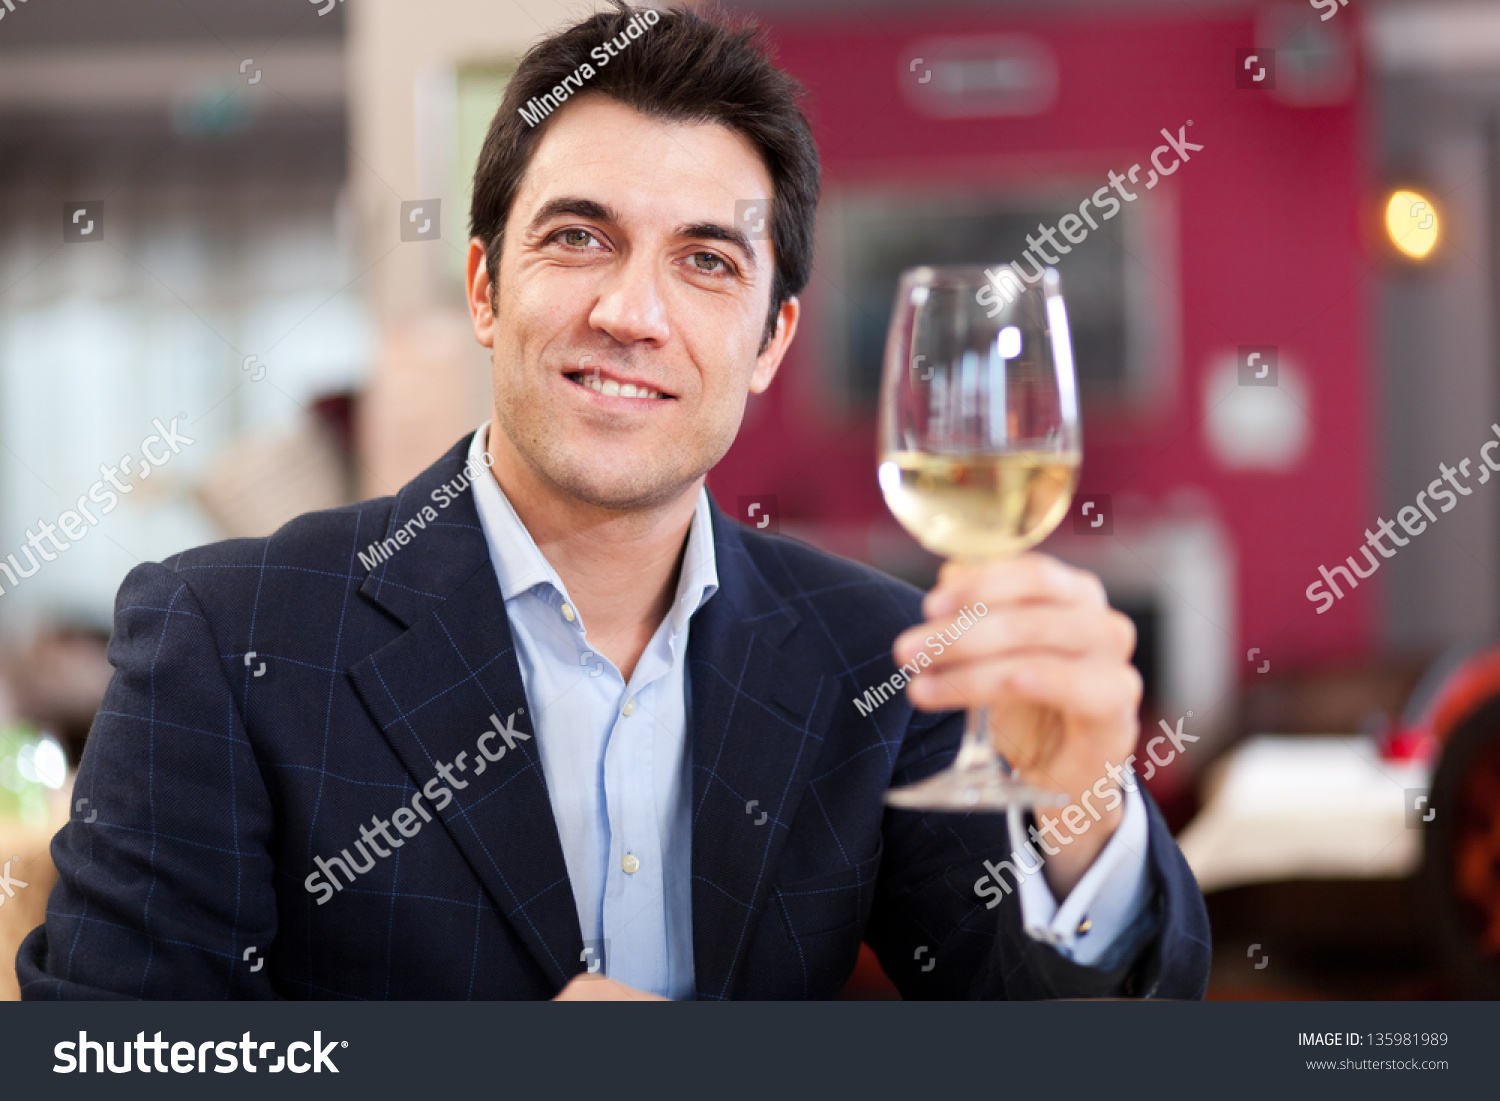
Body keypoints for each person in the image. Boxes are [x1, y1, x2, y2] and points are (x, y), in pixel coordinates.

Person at [18, 1, 1208, 1000]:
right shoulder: (225, 636)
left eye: (707, 261)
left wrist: (1083, 820)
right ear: (486, 288)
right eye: (580, 237)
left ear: (770, 342)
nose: (633, 314)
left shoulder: (885, 661)